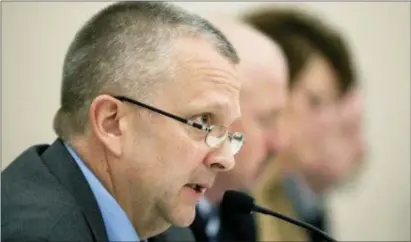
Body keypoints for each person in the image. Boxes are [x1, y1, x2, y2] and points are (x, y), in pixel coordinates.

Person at [1, 2, 245, 242]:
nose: (226, 160)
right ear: (112, 123)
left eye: (228, 133)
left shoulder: (167, 227)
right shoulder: (32, 234)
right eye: (203, 122)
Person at [242, 7, 365, 241]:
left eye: (332, 104)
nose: (328, 122)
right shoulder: (223, 205)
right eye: (315, 102)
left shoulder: (285, 203)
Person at [190, 15, 289, 242]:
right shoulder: (157, 220)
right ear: (210, 118)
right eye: (265, 120)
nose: (279, 142)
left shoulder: (239, 214)